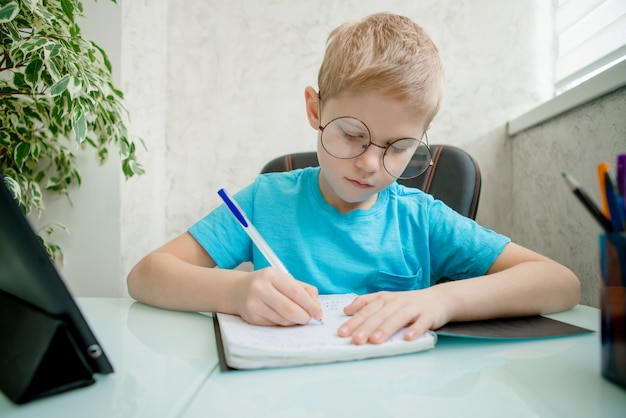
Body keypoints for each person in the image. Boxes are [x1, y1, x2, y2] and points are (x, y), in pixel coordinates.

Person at [127, 12, 580, 345]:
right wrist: (237, 290)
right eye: (350, 135)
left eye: (399, 147)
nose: (369, 164)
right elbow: (146, 276)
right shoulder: (265, 200)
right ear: (314, 110)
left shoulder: (420, 219)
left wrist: (438, 301)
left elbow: (559, 283)